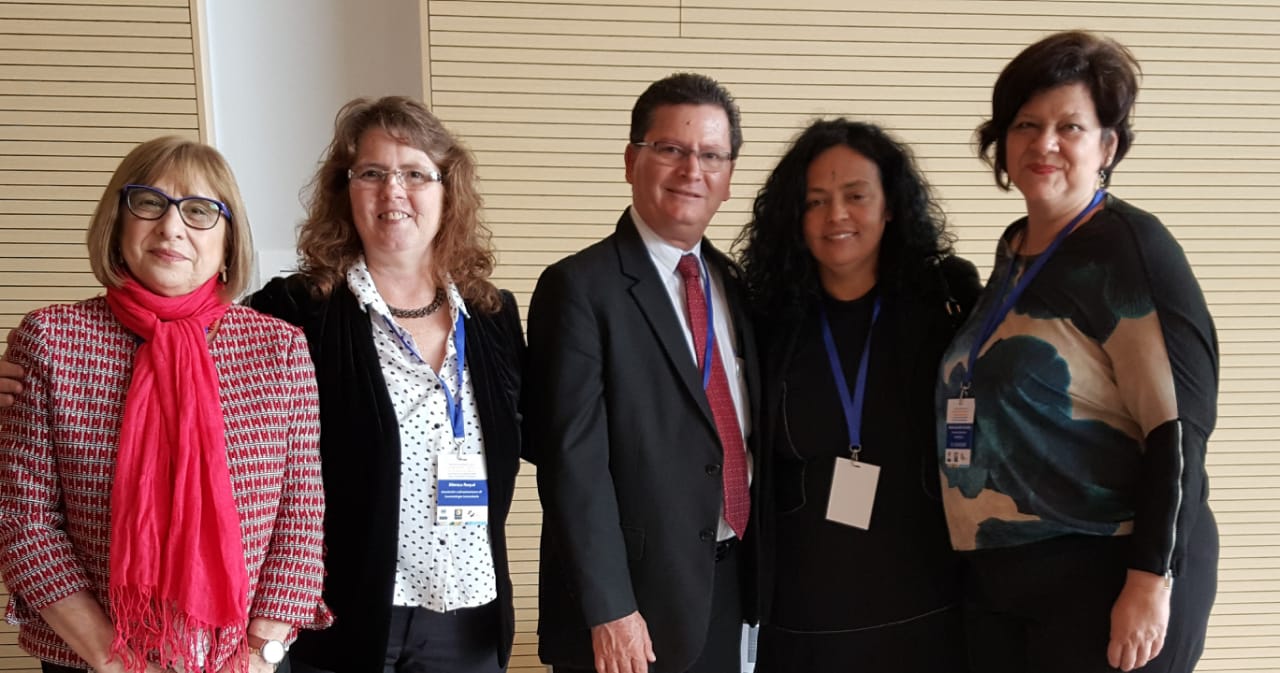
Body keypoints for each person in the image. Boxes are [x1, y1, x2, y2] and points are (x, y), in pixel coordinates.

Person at [936, 30, 1219, 673]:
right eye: (1026, 125)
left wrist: (1151, 579)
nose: (1044, 144)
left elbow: (1178, 428)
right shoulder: (1016, 251)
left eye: (1070, 126)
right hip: (1010, 573)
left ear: (1107, 146)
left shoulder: (1130, 249)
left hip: (1108, 567)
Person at [0, 136, 330, 673]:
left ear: (228, 240)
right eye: (150, 202)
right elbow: (23, 518)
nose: (172, 226)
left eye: (200, 211)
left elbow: (301, 514)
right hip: (93, 661)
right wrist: (114, 660)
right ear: (118, 220)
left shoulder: (279, 347)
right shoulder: (51, 340)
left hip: (244, 662)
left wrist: (259, 652)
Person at [246, 97, 526, 673]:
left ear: (448, 191)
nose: (393, 191)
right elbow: (189, 368)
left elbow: (555, 425)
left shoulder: (493, 316)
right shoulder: (296, 311)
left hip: (468, 614)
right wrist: (36, 380)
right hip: (340, 617)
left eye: (416, 174)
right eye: (371, 173)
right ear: (344, 191)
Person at [526, 72, 759, 673]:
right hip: (632, 609)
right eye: (671, 150)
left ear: (729, 178)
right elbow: (572, 463)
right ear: (632, 160)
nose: (691, 170)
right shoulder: (579, 288)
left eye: (711, 155)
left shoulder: (735, 286)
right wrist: (610, 610)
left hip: (726, 584)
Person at [736, 119, 979, 672]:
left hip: (927, 598)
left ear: (890, 205)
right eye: (815, 201)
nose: (836, 216)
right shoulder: (767, 317)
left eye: (855, 196)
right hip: (803, 613)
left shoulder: (946, 300)